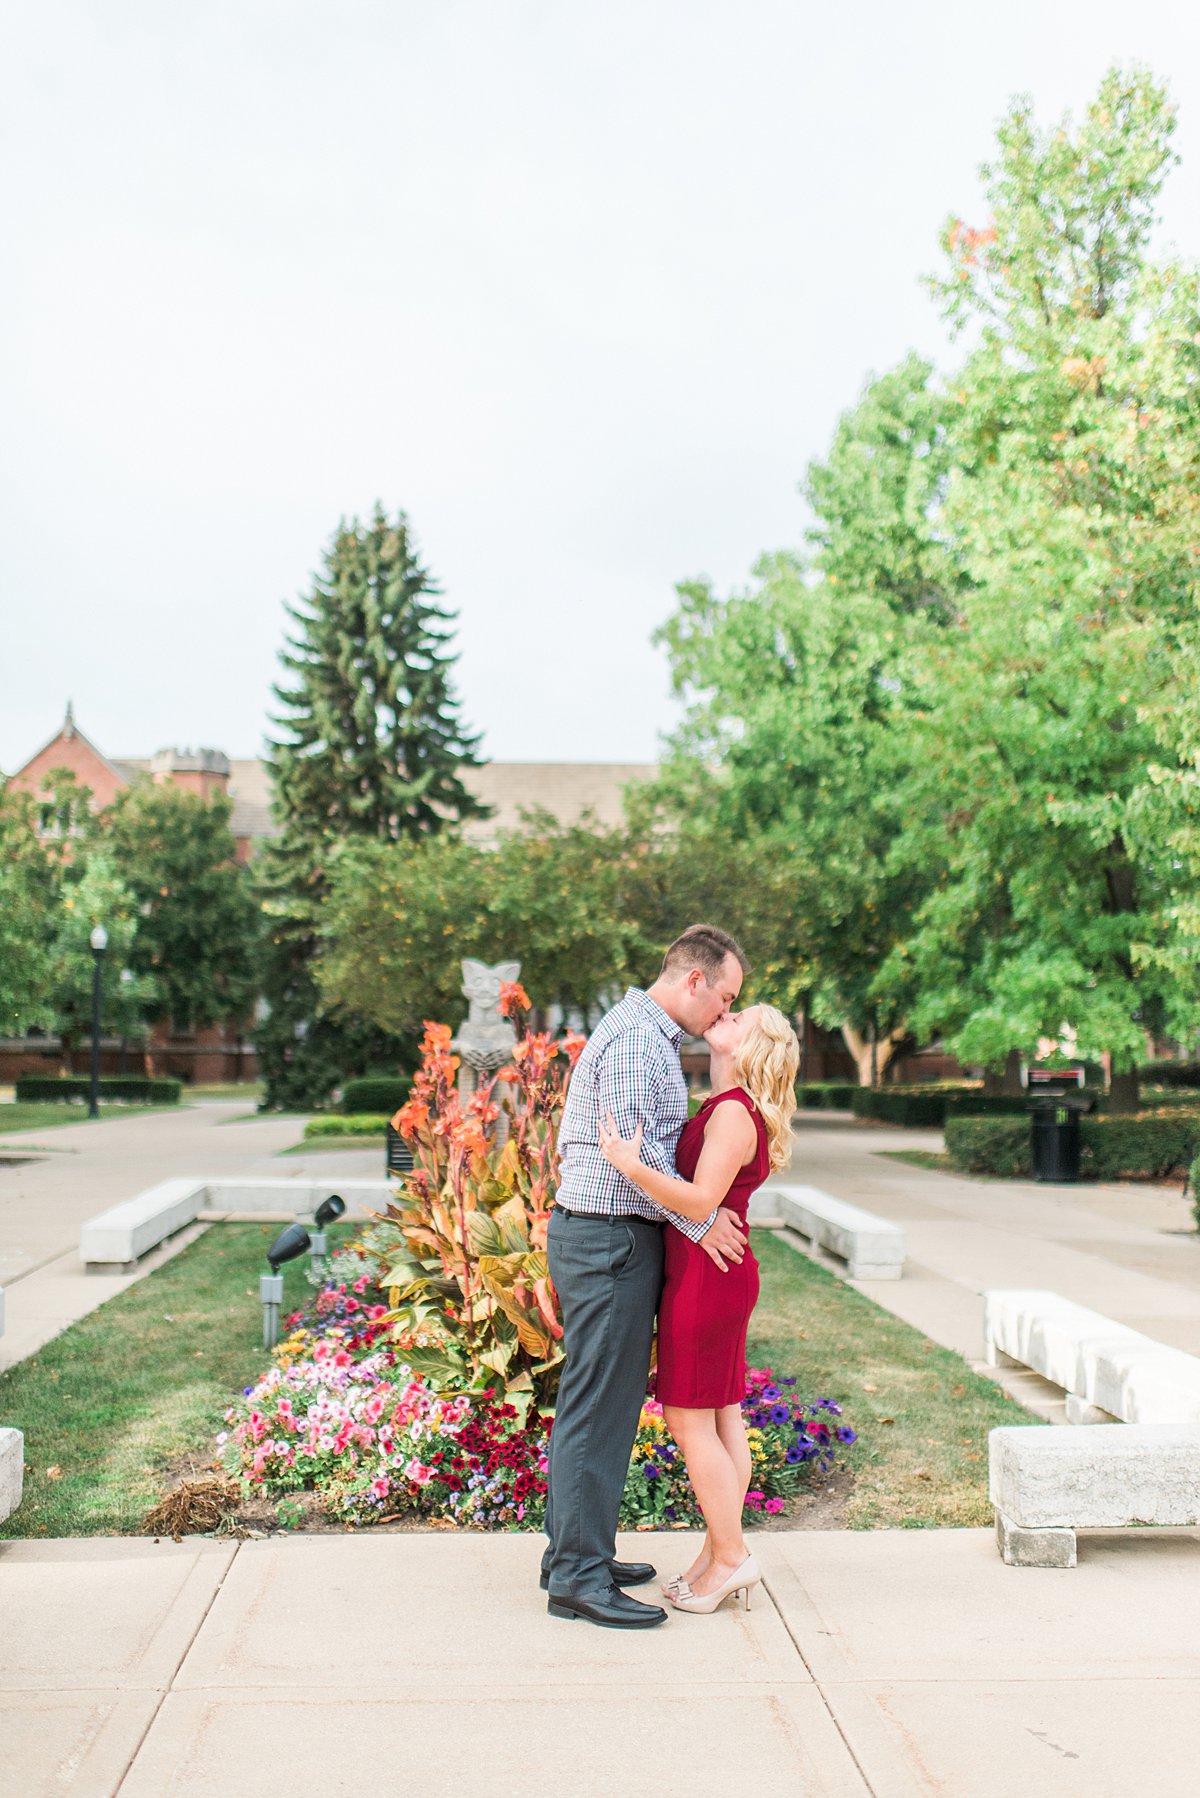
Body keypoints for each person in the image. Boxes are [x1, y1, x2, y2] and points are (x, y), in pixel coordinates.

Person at [542, 924, 750, 1630]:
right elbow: (635, 1163)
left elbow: (643, 1156)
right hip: (608, 1244)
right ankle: (576, 1577)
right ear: (694, 981)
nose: (723, 1015)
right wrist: (701, 1220)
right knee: (598, 1411)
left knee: (602, 1406)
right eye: (723, 999)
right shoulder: (637, 1042)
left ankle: (577, 1553)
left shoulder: (649, 1035)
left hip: (613, 1243)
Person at [598, 1002, 800, 1615]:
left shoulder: (734, 1114)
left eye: (741, 1017)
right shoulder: (728, 1108)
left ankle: (732, 1557)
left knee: (691, 1421)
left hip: (707, 1281)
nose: (726, 1013)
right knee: (720, 1418)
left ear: (752, 1048)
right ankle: (717, 1557)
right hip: (715, 1273)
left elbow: (701, 1199)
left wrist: (629, 1165)